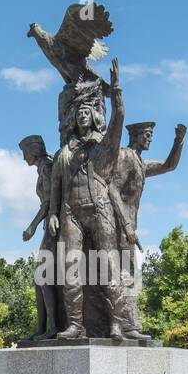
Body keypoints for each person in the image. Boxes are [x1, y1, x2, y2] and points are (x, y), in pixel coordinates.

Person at [47, 60, 127, 340]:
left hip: (100, 209)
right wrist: (54, 213)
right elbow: (57, 184)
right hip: (70, 210)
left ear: (94, 115)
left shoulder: (104, 146)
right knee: (70, 267)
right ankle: (75, 325)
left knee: (108, 264)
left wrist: (116, 89)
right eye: (78, 112)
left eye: (86, 111)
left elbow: (118, 121)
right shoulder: (64, 153)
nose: (82, 116)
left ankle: (116, 323)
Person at [107, 121, 187, 340]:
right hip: (120, 226)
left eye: (151, 135)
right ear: (135, 135)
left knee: (130, 274)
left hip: (129, 228)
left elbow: (169, 166)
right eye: (147, 134)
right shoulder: (125, 156)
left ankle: (128, 325)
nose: (150, 138)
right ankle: (126, 326)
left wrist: (178, 141)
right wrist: (126, 225)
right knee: (125, 274)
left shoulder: (140, 163)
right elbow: (112, 189)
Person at [19, 134, 61, 340]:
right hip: (50, 225)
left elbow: (49, 201)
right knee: (41, 277)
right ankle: (42, 327)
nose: (23, 157)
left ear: (33, 150)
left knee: (42, 275)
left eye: (24, 152)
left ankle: (52, 327)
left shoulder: (47, 166)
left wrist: (32, 226)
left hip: (54, 227)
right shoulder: (44, 166)